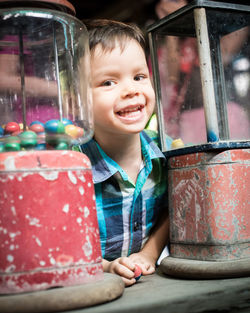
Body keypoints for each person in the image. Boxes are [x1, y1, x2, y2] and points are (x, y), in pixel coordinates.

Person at [76, 19, 172, 286]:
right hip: (90, 286)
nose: (131, 90)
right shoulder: (73, 167)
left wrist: (148, 254)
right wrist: (106, 267)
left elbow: (172, 209)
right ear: (77, 98)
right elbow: (63, 235)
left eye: (139, 77)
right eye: (108, 82)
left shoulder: (165, 154)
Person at [152, 0, 250, 143]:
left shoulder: (220, 30)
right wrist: (170, 23)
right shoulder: (174, 48)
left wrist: (194, 15)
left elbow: (218, 57)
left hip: (224, 115)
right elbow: (172, 78)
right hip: (189, 120)